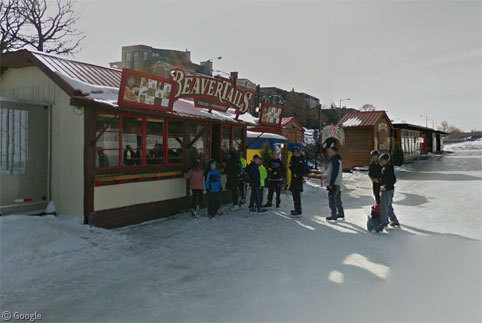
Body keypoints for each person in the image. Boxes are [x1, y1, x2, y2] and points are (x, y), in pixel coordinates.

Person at [379, 153, 400, 228]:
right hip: (387, 189)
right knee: (388, 206)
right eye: (380, 161)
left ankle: (384, 222)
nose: (381, 162)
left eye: (382, 161)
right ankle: (394, 221)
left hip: (387, 190)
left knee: (384, 206)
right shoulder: (385, 168)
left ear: (387, 161)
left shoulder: (388, 169)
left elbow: (392, 180)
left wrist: (385, 186)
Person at [325, 146, 345, 221]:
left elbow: (334, 172)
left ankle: (333, 215)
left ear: (334, 152)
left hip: (334, 182)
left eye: (331, 152)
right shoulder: (339, 159)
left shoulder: (334, 160)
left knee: (332, 199)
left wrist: (331, 183)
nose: (329, 153)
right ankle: (340, 213)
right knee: (337, 198)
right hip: (338, 182)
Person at [289, 146, 308, 216]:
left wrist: (298, 174)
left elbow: (304, 170)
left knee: (297, 195)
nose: (294, 153)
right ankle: (296, 208)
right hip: (293, 178)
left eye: (296, 152)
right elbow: (290, 166)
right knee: (294, 194)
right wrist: (293, 172)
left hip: (298, 179)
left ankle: (298, 210)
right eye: (293, 152)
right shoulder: (292, 158)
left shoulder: (302, 158)